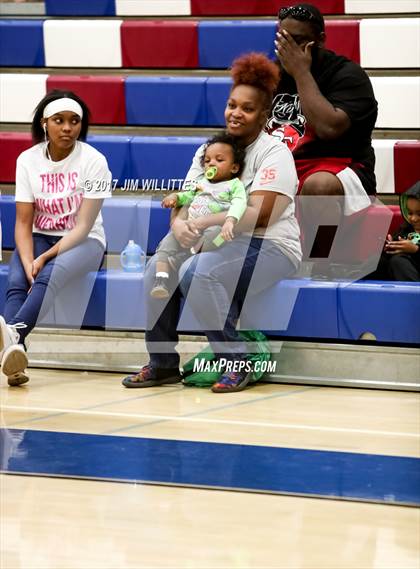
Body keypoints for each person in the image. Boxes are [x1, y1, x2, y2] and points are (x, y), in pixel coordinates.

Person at [122, 52, 301, 393]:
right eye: (232, 105)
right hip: (219, 243)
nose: (236, 113)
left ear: (264, 116)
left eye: (247, 109)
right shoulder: (210, 150)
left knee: (198, 270)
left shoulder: (275, 153)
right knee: (156, 270)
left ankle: (236, 360)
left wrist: (207, 227)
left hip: (272, 246)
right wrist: (178, 225)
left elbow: (262, 214)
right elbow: (187, 197)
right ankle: (162, 364)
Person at [0, 90, 112, 386]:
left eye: (74, 121)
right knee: (16, 283)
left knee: (48, 275)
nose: (67, 128)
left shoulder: (96, 161)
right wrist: (27, 261)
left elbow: (85, 225)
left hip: (86, 242)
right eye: (59, 121)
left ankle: (13, 334)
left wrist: (45, 257)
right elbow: (23, 222)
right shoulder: (27, 160)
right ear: (44, 122)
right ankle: (14, 360)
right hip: (38, 236)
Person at [267, 3, 378, 260]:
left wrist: (301, 72)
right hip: (286, 166)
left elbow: (329, 128)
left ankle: (319, 263)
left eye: (299, 41)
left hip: (341, 169)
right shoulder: (269, 74)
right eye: (284, 39)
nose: (290, 49)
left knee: (319, 186)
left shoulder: (347, 75)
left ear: (320, 40)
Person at [151, 133, 247, 299]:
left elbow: (240, 203)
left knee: (216, 236)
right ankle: (161, 280)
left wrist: (230, 220)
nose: (212, 164)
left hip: (215, 232)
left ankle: (185, 257)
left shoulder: (234, 185)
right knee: (165, 245)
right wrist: (174, 197)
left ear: (234, 168)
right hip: (191, 227)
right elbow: (187, 196)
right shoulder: (201, 183)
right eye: (208, 161)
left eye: (219, 160)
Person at [367, 182, 420, 281]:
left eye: (419, 214)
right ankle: (348, 287)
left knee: (398, 261)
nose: (413, 218)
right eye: (410, 212)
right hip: (399, 276)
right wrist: (391, 247)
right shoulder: (406, 229)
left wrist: (416, 250)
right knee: (377, 261)